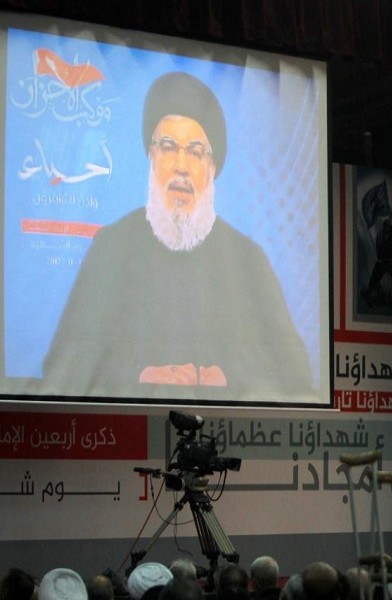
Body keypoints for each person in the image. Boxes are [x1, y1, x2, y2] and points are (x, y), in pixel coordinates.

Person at [42, 71, 312, 401]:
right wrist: (142, 376)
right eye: (169, 147)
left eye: (196, 151)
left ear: (212, 168)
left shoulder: (247, 259)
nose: (181, 166)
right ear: (151, 156)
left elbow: (295, 375)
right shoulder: (111, 246)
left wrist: (221, 378)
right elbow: (65, 368)